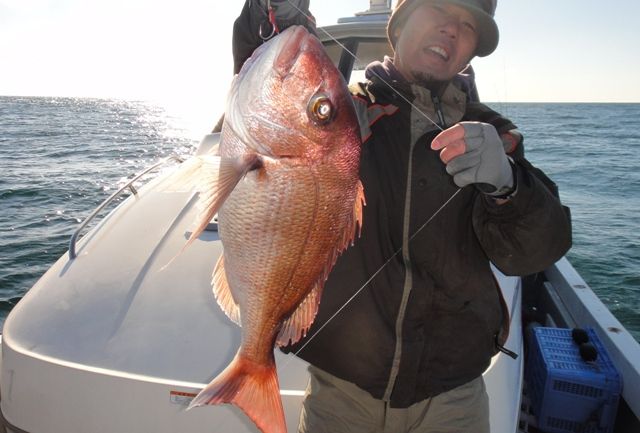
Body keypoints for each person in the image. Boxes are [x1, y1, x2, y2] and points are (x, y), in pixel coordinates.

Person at [230, 1, 572, 432]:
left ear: (470, 54)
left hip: (453, 399)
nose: (451, 29)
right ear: (401, 23)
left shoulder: (493, 137)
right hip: (342, 393)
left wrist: (508, 185)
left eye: (468, 26)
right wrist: (270, 15)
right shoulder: (342, 110)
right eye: (439, 7)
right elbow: (266, 86)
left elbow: (535, 252)